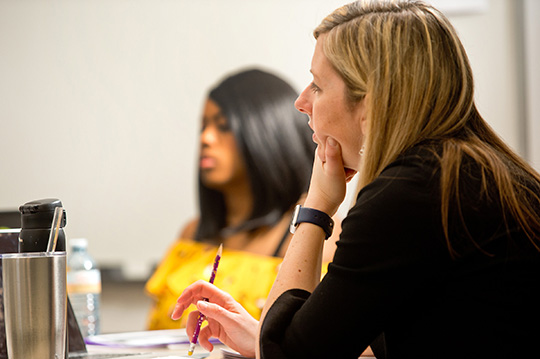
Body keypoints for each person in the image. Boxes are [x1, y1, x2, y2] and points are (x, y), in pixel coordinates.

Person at [171, 1, 540, 358]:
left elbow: (295, 357)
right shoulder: (482, 172)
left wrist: (316, 206)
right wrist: (265, 338)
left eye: (316, 85)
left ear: (370, 100)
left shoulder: (410, 192)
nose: (301, 102)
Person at [145, 68, 340, 330]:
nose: (206, 138)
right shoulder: (193, 234)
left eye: (223, 126)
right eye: (204, 126)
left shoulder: (311, 230)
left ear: (270, 134)